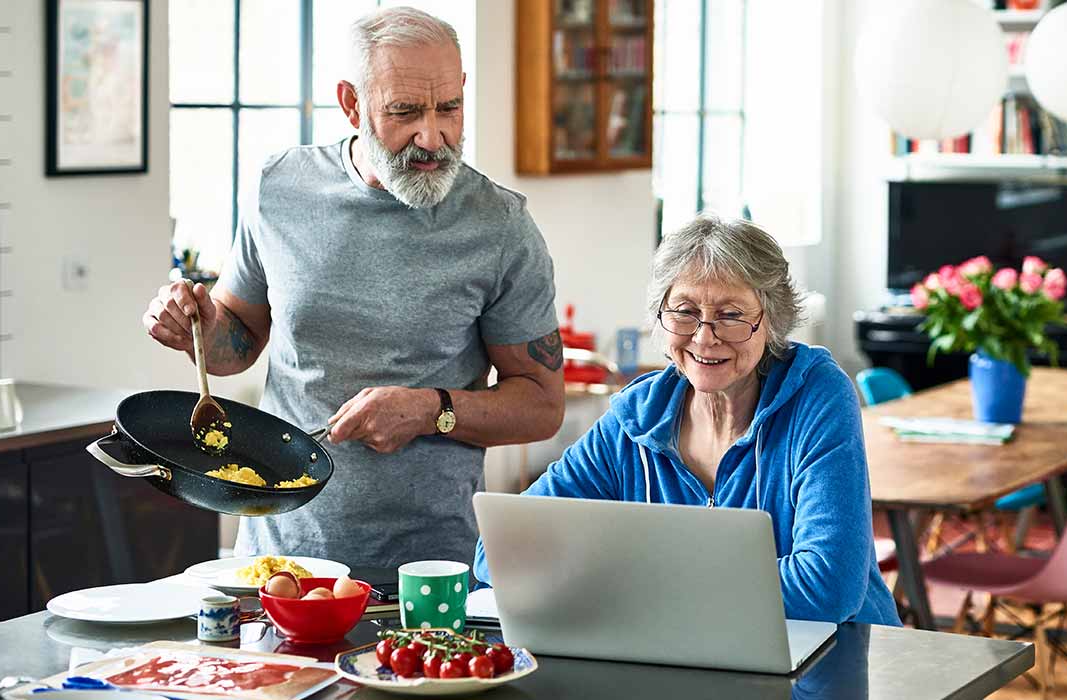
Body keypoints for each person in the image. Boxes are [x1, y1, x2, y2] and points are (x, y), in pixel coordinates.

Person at [142, 7, 565, 569]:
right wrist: (195, 326)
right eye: (405, 111)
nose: (432, 135)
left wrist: (430, 409)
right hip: (278, 562)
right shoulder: (281, 188)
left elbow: (541, 404)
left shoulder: (500, 227)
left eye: (450, 108)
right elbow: (236, 342)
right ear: (351, 104)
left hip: (428, 572)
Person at [474, 214, 900, 626]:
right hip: (690, 656)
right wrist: (669, 588)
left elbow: (828, 587)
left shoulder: (817, 396)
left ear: (772, 321)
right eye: (684, 311)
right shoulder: (636, 419)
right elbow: (498, 551)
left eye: (732, 314)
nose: (704, 336)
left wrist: (635, 583)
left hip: (833, 660)